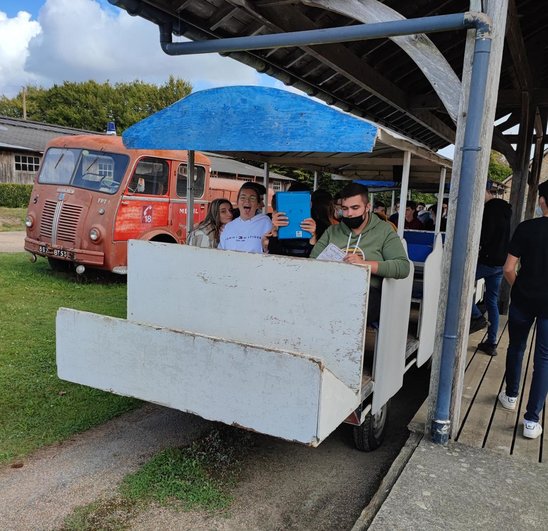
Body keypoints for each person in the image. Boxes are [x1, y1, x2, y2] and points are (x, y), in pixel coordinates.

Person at [310, 183, 410, 323]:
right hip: (331, 289)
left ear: (367, 207)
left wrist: (364, 264)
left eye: (355, 208)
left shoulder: (384, 231)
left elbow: (403, 267)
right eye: (345, 209)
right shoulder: (332, 231)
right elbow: (312, 262)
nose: (349, 213)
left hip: (367, 293)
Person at [497, 180, 548, 440]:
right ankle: (532, 421)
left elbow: (508, 268)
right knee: (544, 359)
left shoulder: (527, 228)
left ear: (542, 201)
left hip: (523, 300)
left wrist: (522, 287)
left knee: (517, 347)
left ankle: (511, 395)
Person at [469, 180, 512, 356]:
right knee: (492, 301)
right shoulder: (505, 209)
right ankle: (492, 342)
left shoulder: (489, 210)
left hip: (486, 260)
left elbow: (484, 236)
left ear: (485, 192)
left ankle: (477, 317)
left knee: (460, 286)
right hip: (500, 263)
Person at [218, 182, 272, 253]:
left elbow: (271, 251)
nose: (247, 201)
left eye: (252, 198)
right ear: (237, 202)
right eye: (243, 197)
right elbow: (219, 253)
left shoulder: (265, 221)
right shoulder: (228, 226)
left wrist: (266, 248)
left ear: (257, 204)